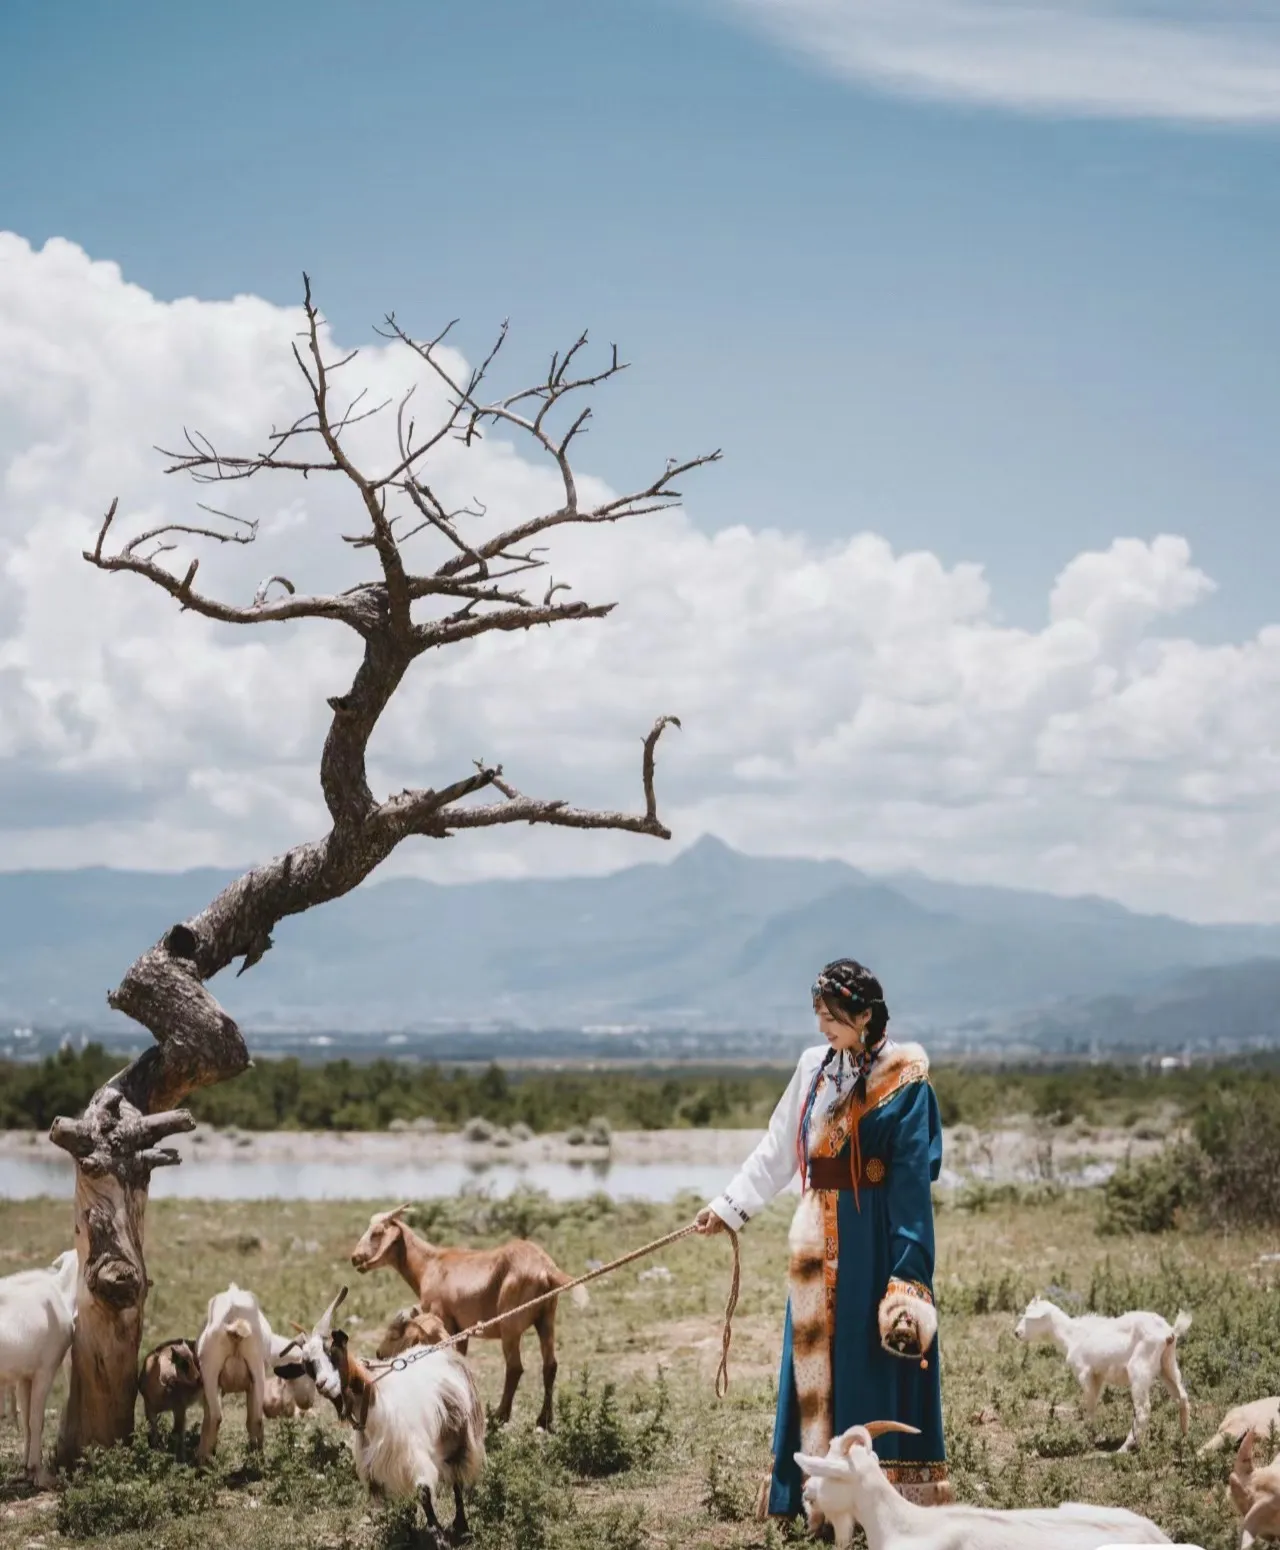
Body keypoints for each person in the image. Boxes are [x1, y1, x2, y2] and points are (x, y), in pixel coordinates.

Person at [694, 957, 951, 1524]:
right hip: (815, 1243)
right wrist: (728, 1208)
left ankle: (879, 1506)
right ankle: (811, 1499)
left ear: (864, 1015)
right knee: (815, 1369)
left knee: (867, 1361)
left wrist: (907, 1273)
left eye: (832, 1015)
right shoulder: (814, 1067)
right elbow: (778, 1149)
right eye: (817, 1014)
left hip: (874, 1239)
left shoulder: (904, 1078)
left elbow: (910, 1180)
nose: (822, 1027)